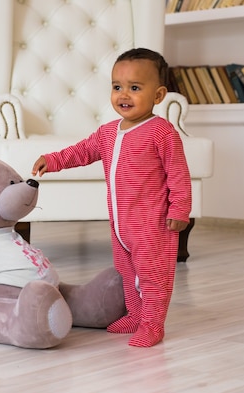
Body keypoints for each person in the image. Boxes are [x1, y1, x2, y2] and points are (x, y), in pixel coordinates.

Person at [31, 48, 191, 347]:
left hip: (152, 224)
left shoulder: (162, 133)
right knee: (126, 273)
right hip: (121, 224)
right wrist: (52, 160)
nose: (123, 95)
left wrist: (180, 209)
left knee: (153, 275)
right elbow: (81, 151)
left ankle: (153, 324)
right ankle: (135, 314)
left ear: (158, 95)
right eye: (117, 87)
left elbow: (178, 174)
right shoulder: (107, 132)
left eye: (134, 87)